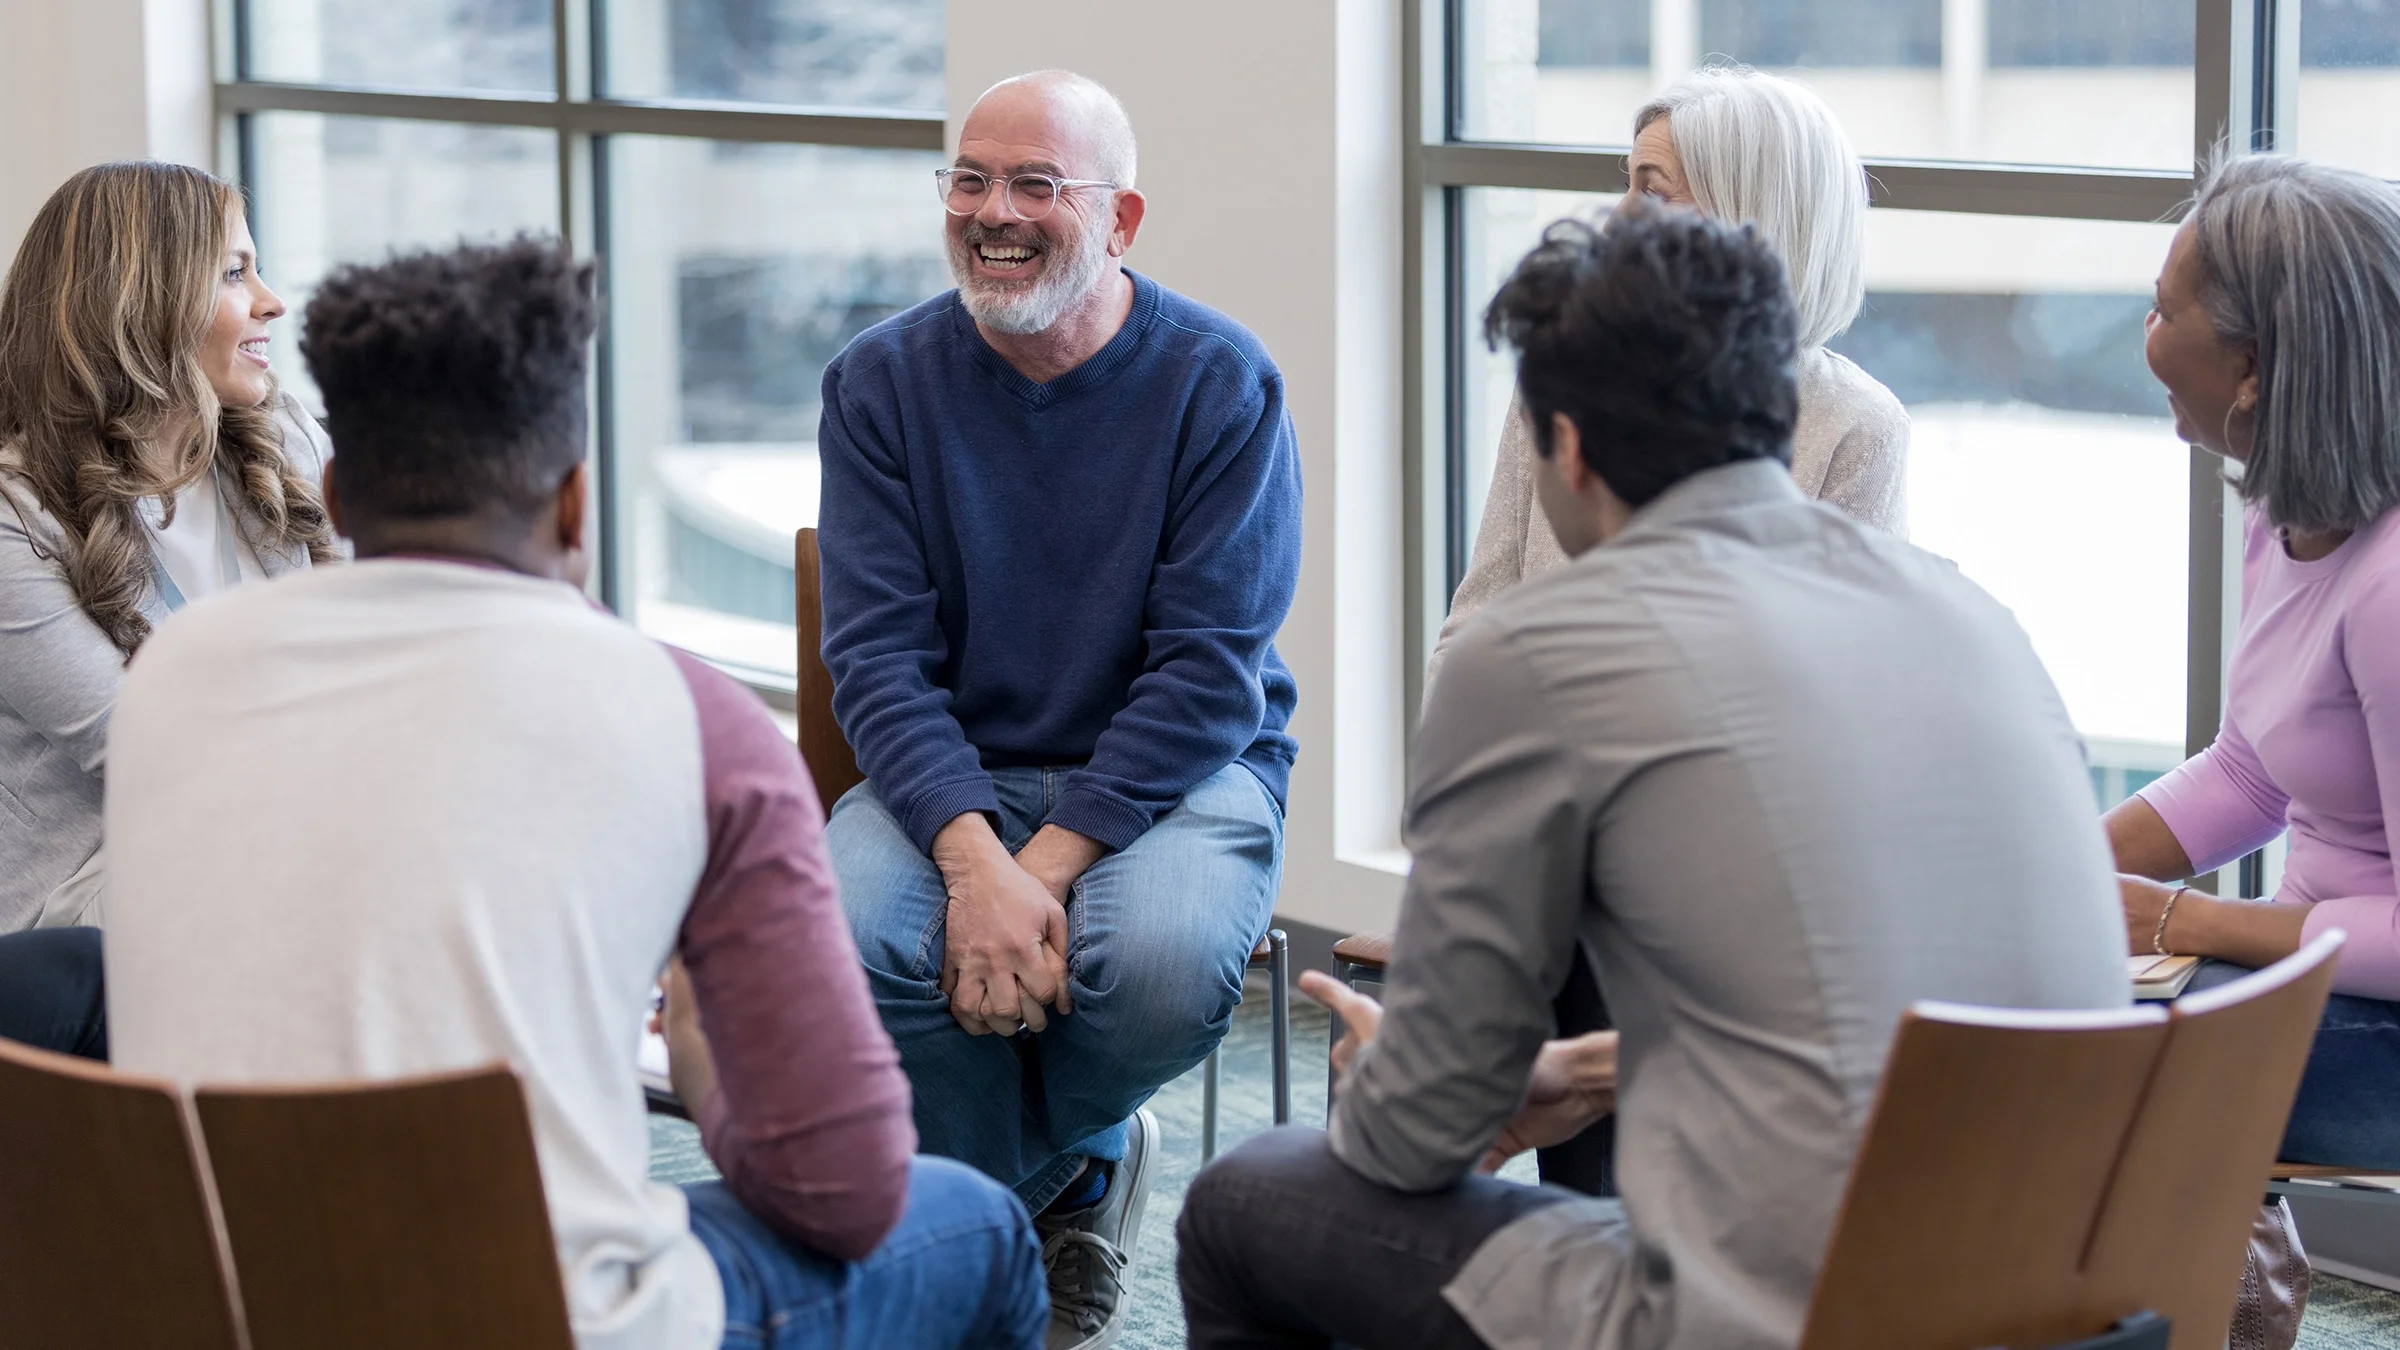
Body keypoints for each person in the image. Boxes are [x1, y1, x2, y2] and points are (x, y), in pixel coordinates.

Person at [1176, 204, 2128, 1350]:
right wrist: (1594, 1066)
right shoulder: (1975, 615)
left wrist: (1403, 1081)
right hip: (2050, 1301)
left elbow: (1411, 1139)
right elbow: (1879, 995)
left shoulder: (1534, 653)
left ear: (1567, 450)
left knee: (1247, 1199)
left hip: (1782, 1318)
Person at [100, 239, 1048, 1350]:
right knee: (976, 1226)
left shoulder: (175, 667)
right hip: (530, 1319)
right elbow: (843, 1189)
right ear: (574, 504)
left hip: (202, 1299)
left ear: (338, 493)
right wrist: (700, 1056)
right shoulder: (698, 725)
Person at [816, 68, 1300, 1348]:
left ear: (1122, 218)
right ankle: (1077, 1174)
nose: (996, 210)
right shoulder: (880, 383)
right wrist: (977, 860)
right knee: (854, 948)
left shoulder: (1221, 382)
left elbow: (1210, 672)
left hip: (1179, 775)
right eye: (970, 179)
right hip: (954, 771)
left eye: (1038, 183)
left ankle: (980, 1214)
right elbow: (872, 658)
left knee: (1148, 971)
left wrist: (1039, 867)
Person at [2108, 154, 2400, 1173]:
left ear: (2255, 370)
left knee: (2065, 1068)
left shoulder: (2391, 587)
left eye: (2160, 311)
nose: (2143, 337)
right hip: (2313, 963)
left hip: (2385, 1017)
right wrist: (2060, 867)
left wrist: (2189, 919)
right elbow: (2251, 771)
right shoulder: (2284, 506)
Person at [1434, 65, 1906, 682]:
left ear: (1752, 217)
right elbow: (1477, 619)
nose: (1620, 217)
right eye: (1629, 185)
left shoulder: (1856, 427)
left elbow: (1846, 675)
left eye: (1654, 192)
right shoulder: (1564, 370)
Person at [0, 161, 337, 934]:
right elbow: (152, 757)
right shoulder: (15, 517)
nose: (271, 301)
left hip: (274, 850)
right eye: (233, 274)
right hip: (90, 913)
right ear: (139, 302)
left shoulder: (282, 440)